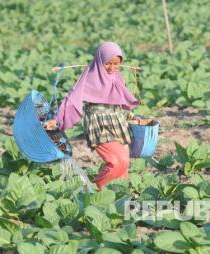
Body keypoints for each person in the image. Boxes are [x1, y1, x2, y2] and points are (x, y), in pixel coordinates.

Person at [44, 42, 150, 190]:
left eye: (116, 64)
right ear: (100, 60)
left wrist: (133, 117)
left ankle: (118, 192)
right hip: (99, 127)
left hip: (119, 125)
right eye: (108, 63)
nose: (112, 68)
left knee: (124, 162)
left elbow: (118, 105)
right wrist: (57, 120)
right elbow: (71, 100)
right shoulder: (89, 78)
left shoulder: (117, 79)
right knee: (114, 161)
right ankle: (95, 189)